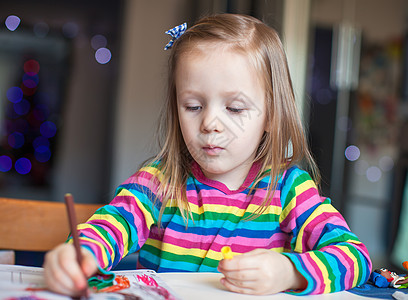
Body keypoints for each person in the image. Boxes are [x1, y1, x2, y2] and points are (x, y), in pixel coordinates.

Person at [43, 13, 372, 296]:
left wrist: (289, 272)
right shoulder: (158, 183)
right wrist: (82, 253)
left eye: (234, 107)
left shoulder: (289, 190)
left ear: (271, 115)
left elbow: (355, 258)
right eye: (194, 106)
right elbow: (112, 226)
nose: (210, 123)